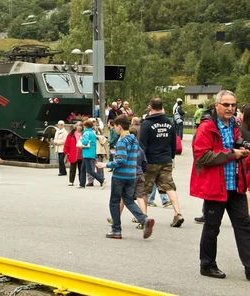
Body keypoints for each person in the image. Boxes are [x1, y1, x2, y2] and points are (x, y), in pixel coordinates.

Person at [191, 90, 250, 279]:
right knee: (211, 228)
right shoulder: (207, 127)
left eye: (233, 105)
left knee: (244, 227)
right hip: (216, 186)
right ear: (217, 105)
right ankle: (207, 265)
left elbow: (236, 146)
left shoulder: (236, 124)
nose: (230, 108)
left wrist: (241, 150)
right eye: (226, 105)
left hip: (236, 185)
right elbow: (202, 156)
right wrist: (232, 153)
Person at [97, 114, 154, 239]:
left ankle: (116, 230)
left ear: (119, 127)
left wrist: (106, 165)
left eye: (116, 127)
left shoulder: (122, 140)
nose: (115, 129)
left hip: (120, 176)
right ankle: (144, 220)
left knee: (114, 202)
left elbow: (121, 160)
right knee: (128, 200)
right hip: (131, 175)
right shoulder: (134, 139)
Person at [140, 98, 184, 228]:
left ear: (150, 107)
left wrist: (141, 162)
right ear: (162, 107)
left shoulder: (146, 124)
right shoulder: (170, 123)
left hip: (150, 161)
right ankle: (177, 213)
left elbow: (142, 145)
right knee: (169, 187)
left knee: (144, 190)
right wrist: (170, 157)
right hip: (165, 160)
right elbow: (173, 142)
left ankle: (144, 218)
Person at [79, 119, 106, 189]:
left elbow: (85, 142)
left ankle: (102, 179)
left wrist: (81, 139)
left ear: (85, 126)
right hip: (91, 152)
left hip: (87, 153)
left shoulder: (86, 133)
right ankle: (82, 183)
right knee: (82, 168)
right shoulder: (92, 133)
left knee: (89, 170)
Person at [64, 122, 83, 186]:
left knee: (81, 169)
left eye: (80, 126)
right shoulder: (71, 134)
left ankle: (81, 181)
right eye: (78, 126)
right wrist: (66, 151)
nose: (79, 127)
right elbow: (67, 143)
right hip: (73, 153)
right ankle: (71, 181)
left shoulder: (84, 134)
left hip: (81, 153)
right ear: (76, 126)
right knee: (72, 168)